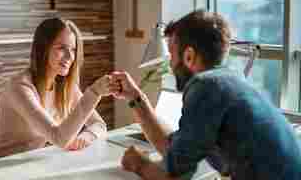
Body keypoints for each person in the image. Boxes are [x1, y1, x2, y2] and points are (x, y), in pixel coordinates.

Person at [114, 10, 301, 180]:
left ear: (189, 56)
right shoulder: (230, 80)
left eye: (171, 55)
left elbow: (174, 175)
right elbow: (175, 154)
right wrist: (135, 97)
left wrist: (138, 163)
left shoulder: (205, 85)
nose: (170, 66)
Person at [0, 18, 119, 162]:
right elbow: (59, 138)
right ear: (43, 49)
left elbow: (99, 125)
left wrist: (86, 137)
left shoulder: (65, 87)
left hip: (29, 164)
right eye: (61, 48)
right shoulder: (20, 87)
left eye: (73, 49)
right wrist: (94, 93)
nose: (69, 57)